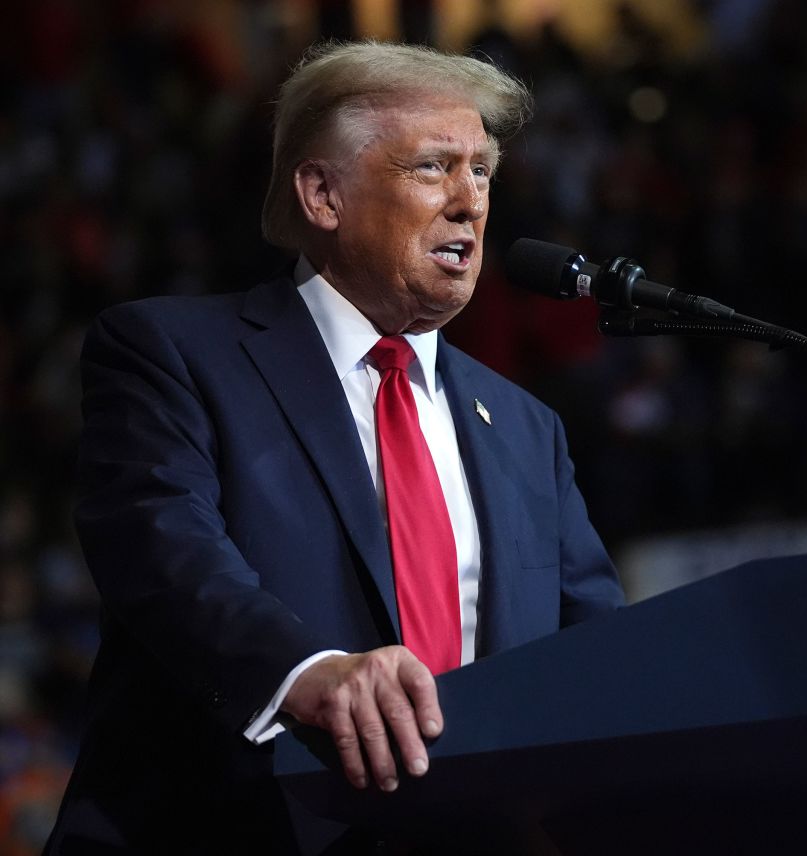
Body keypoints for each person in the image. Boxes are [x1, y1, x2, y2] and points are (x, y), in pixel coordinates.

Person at [45, 41, 624, 853]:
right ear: (322, 193)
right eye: (433, 167)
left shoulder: (528, 428)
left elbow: (599, 654)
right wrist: (305, 673)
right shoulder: (174, 353)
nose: (470, 202)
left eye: (482, 171)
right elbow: (164, 554)